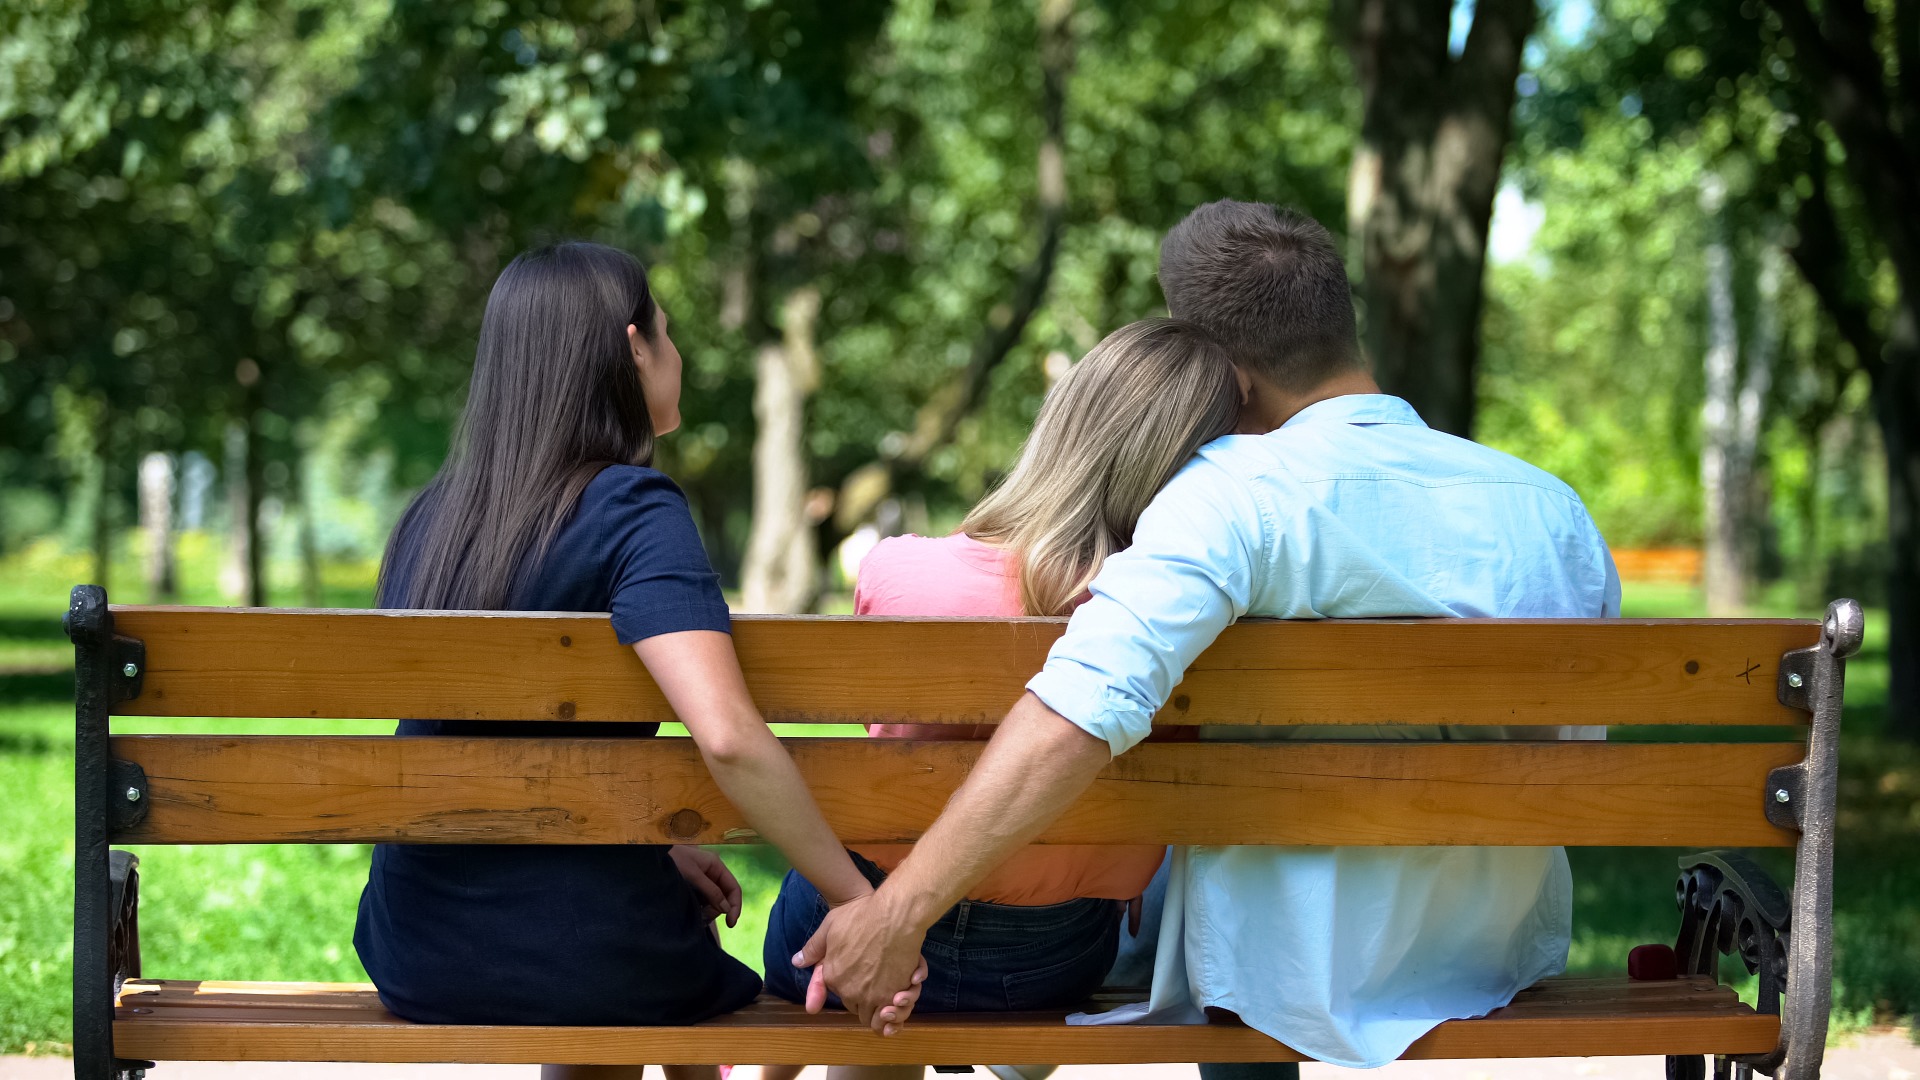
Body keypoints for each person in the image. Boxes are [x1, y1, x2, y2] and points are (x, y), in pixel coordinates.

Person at [790, 201, 1621, 1072]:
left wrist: (900, 912)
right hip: (1493, 951)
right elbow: (1574, 744)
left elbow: (1085, 702)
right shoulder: (1546, 504)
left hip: (1280, 969)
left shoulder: (1232, 492)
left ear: (1225, 376)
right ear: (1342, 322)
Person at [351, 241, 918, 1080]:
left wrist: (641, 844)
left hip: (417, 950)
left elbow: (476, 750)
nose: (678, 354)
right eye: (668, 330)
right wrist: (861, 905)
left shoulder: (432, 519)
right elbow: (725, 736)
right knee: (630, 975)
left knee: (622, 961)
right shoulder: (635, 509)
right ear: (630, 349)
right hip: (584, 956)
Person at [757, 318, 1238, 1080]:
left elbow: (879, 740)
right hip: (1049, 960)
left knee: (850, 923)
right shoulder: (1185, 622)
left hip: (852, 926)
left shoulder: (899, 571)